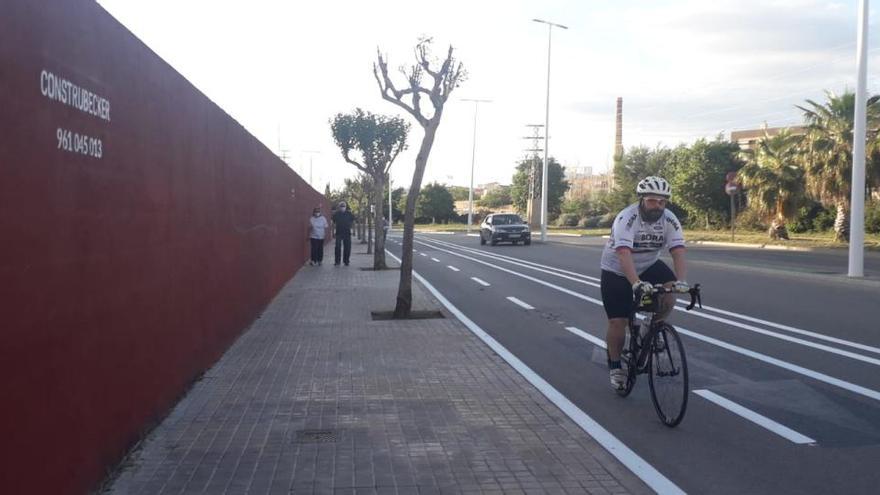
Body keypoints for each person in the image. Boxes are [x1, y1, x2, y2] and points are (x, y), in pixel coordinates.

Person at [599, 176, 689, 390]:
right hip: (617, 269)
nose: (657, 206)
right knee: (617, 323)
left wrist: (682, 281)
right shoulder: (627, 218)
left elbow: (677, 251)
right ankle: (615, 366)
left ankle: (651, 327)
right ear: (641, 200)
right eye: (651, 201)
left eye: (661, 202)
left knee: (669, 295)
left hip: (649, 263)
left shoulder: (669, 219)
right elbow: (623, 253)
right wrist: (636, 283)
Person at [331, 201, 355, 266]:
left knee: (347, 248)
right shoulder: (336, 214)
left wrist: (353, 230)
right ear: (339, 207)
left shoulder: (349, 214)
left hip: (347, 233)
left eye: (343, 206)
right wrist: (333, 232)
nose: (342, 207)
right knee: (337, 247)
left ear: (346, 207)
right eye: (341, 206)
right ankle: (337, 261)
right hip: (339, 233)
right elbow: (333, 224)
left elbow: (353, 222)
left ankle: (346, 261)